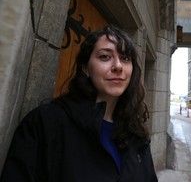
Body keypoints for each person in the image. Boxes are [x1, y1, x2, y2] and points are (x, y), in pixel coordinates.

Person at [0, 25, 158, 182]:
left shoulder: (135, 132)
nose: (118, 66)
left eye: (125, 58)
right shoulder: (47, 122)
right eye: (105, 57)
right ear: (86, 68)